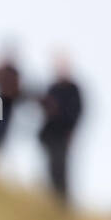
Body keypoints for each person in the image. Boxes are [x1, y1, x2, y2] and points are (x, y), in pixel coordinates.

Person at [38, 56, 83, 204]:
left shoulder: (73, 89)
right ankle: (53, 197)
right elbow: (45, 110)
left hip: (63, 135)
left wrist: (69, 129)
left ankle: (62, 200)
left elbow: (76, 112)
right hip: (50, 135)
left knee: (61, 167)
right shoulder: (53, 88)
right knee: (50, 167)